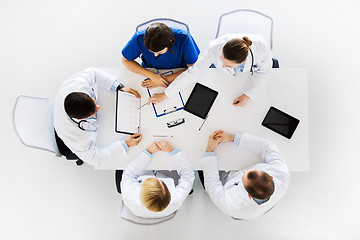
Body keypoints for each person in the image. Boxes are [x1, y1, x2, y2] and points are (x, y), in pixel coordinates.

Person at [148, 34, 272, 107]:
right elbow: (193, 72)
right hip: (222, 82)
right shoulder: (216, 48)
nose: (222, 66)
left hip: (240, 82)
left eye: (227, 65)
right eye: (221, 60)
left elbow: (264, 72)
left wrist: (248, 94)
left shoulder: (262, 49)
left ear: (243, 62)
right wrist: (166, 94)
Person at [54, 67, 142, 167]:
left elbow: (93, 73)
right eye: (94, 111)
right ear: (80, 119)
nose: (98, 107)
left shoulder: (77, 84)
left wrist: (118, 87)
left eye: (94, 103)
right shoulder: (78, 138)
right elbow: (96, 160)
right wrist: (125, 144)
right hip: (67, 133)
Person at [200, 130, 290, 219]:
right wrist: (232, 138)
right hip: (264, 203)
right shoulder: (282, 174)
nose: (243, 171)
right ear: (270, 176)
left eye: (243, 177)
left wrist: (209, 150)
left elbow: (212, 184)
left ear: (248, 195)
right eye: (250, 170)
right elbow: (267, 147)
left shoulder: (231, 206)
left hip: (238, 205)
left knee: (200, 167)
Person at [120, 141, 195, 218]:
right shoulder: (176, 199)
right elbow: (188, 176)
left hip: (144, 172)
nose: (156, 178)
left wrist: (147, 153)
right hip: (166, 170)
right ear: (169, 193)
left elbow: (129, 173)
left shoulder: (129, 195)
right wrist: (172, 151)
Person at [121, 22, 200, 89]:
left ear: (171, 42)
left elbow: (192, 68)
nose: (155, 55)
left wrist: (163, 80)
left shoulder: (184, 38)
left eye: (159, 52)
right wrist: (152, 76)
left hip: (178, 73)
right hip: (151, 71)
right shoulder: (139, 38)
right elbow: (125, 61)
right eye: (151, 51)